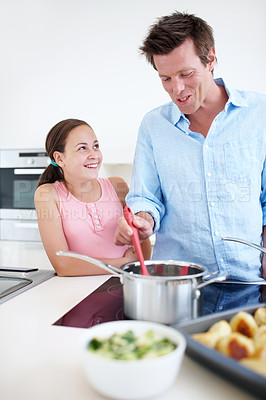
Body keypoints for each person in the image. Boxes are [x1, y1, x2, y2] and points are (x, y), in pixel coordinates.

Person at [114, 11, 266, 282]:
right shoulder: (153, 126)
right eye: (166, 79)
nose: (178, 89)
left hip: (249, 282)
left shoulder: (259, 114)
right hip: (176, 285)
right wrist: (143, 222)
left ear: (211, 59)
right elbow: (146, 198)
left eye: (186, 74)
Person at [34, 119, 151, 276]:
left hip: (124, 283)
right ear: (60, 158)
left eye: (95, 146)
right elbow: (62, 265)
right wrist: (123, 264)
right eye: (82, 148)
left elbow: (142, 243)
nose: (94, 154)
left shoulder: (117, 186)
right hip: (79, 291)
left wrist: (134, 268)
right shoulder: (48, 194)